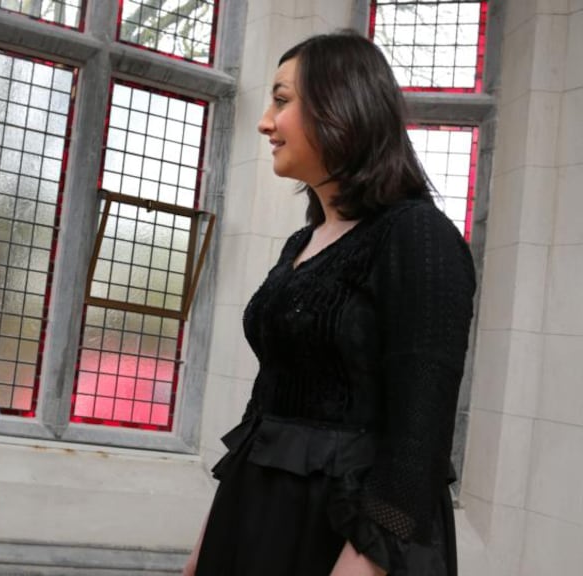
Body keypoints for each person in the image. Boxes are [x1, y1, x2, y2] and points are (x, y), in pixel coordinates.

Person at [183, 31, 476, 576]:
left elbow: (421, 433)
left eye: (282, 99)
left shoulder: (418, 236)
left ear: (341, 105)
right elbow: (263, 410)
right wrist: (208, 542)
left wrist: (363, 562)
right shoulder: (302, 243)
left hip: (352, 536)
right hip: (258, 513)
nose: (265, 121)